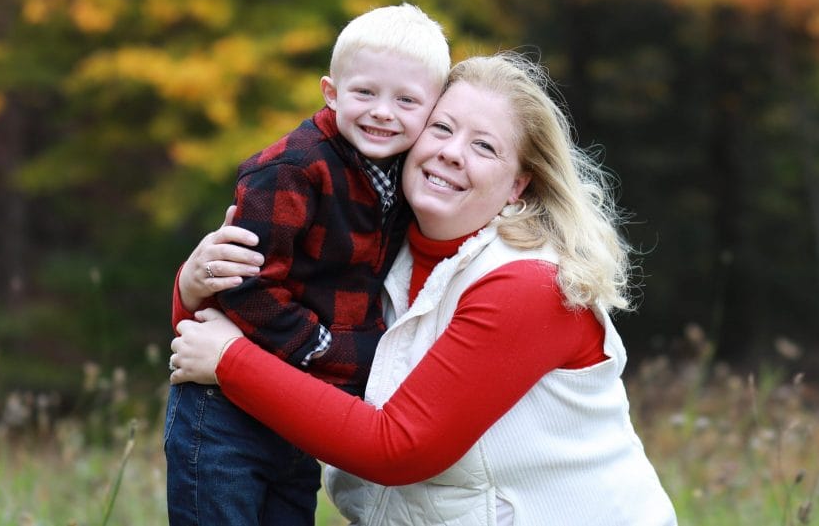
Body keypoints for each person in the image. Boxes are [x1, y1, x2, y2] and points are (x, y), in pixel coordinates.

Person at [170, 52, 677, 526]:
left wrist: (230, 361)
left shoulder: (529, 284)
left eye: (484, 146)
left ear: (519, 184)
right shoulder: (377, 252)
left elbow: (400, 448)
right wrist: (194, 286)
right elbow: (208, 344)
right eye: (442, 128)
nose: (452, 153)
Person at [164, 3, 450, 526]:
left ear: (432, 112)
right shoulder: (295, 169)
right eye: (365, 93)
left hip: (299, 412)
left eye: (406, 100)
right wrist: (321, 348)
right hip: (226, 406)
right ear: (331, 92)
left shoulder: (406, 177)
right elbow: (243, 281)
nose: (383, 112)